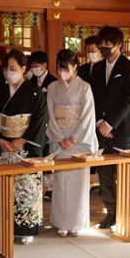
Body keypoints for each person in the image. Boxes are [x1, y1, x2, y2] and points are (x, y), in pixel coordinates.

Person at [0, 49, 48, 244]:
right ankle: (6, 226)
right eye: (5, 69)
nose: (8, 72)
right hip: (5, 146)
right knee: (5, 188)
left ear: (23, 68)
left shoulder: (35, 91)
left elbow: (40, 119)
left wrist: (23, 139)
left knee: (25, 189)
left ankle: (26, 228)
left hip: (26, 147)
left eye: (12, 68)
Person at [90, 26, 130, 229]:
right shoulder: (99, 67)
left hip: (122, 129)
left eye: (108, 44)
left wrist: (111, 123)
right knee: (105, 174)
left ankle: (126, 213)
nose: (104, 48)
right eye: (101, 44)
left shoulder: (129, 67)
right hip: (101, 128)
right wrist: (100, 122)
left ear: (119, 45)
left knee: (124, 174)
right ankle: (111, 212)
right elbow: (94, 96)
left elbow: (128, 99)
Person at [46, 49, 98, 236]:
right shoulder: (52, 88)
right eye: (60, 69)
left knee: (78, 184)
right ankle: (61, 222)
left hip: (79, 141)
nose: (62, 73)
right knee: (60, 184)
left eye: (66, 68)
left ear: (75, 67)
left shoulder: (85, 87)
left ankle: (77, 223)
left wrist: (74, 138)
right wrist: (60, 138)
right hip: (60, 140)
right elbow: (50, 116)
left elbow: (87, 116)